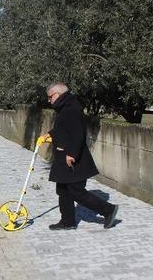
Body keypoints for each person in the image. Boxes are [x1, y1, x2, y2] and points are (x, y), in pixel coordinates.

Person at [43, 82, 119, 230]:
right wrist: (49, 134)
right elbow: (64, 128)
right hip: (63, 157)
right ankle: (67, 221)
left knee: (76, 192)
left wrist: (72, 154)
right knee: (63, 190)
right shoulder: (65, 108)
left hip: (73, 159)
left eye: (50, 97)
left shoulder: (72, 108)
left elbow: (78, 133)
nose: (49, 100)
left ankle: (108, 210)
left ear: (58, 94)